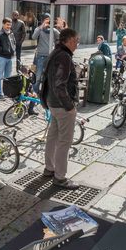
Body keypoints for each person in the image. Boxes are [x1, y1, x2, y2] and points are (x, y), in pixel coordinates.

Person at [40, 28, 80, 190]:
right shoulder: (64, 56)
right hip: (62, 106)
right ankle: (60, 177)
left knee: (53, 137)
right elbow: (59, 84)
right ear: (69, 40)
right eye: (76, 41)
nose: (77, 44)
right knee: (64, 142)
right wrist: (69, 106)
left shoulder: (55, 52)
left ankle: (49, 168)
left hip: (52, 102)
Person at [31, 15, 59, 94]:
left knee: (49, 76)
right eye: (46, 19)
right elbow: (33, 37)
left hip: (50, 56)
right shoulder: (39, 29)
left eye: (49, 20)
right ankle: (35, 92)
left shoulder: (53, 30)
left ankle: (47, 93)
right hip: (41, 56)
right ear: (42, 20)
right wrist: (42, 25)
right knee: (38, 76)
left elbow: (61, 36)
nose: (48, 21)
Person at [0, 18, 16, 99]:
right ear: (3, 24)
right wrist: (3, 50)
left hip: (10, 58)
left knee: (8, 77)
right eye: (7, 25)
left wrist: (13, 50)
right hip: (2, 57)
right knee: (0, 76)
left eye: (10, 25)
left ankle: (6, 92)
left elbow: (14, 43)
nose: (9, 26)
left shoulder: (11, 34)